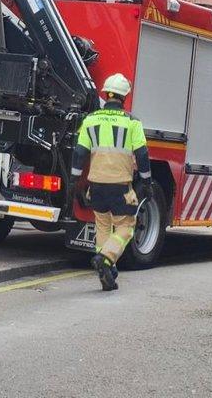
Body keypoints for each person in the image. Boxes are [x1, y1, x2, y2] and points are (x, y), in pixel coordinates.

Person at [70, 73, 151, 291]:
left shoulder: (91, 119)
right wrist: (146, 181)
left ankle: (107, 271)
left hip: (96, 186)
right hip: (120, 187)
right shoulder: (132, 122)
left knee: (103, 225)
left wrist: (75, 179)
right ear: (125, 97)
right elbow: (142, 155)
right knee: (126, 226)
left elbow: (79, 152)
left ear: (106, 94)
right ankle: (106, 258)